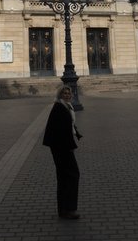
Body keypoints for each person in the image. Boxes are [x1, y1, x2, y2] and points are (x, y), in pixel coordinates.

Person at [43, 86, 83, 220]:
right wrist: (70, 146)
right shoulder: (59, 108)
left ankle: (64, 209)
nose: (67, 95)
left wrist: (76, 132)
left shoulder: (65, 106)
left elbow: (68, 125)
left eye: (68, 93)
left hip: (61, 147)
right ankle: (69, 209)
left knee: (64, 177)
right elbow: (60, 130)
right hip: (62, 148)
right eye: (64, 93)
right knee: (72, 175)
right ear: (60, 95)